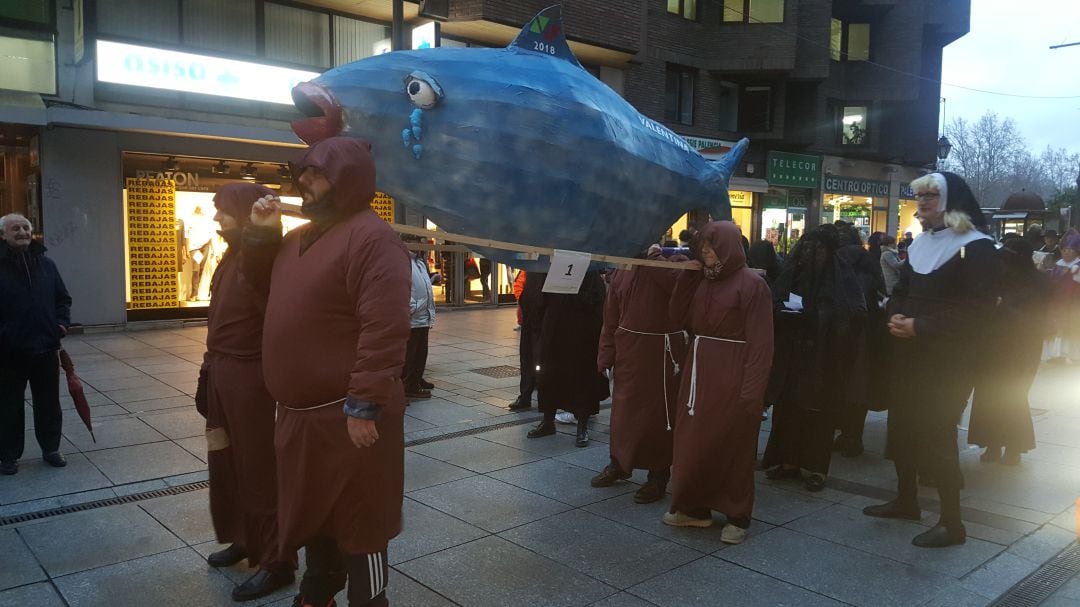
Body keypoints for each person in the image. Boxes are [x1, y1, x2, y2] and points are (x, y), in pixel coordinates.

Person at [242, 137, 411, 607]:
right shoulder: (296, 238)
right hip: (300, 418)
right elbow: (262, 289)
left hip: (349, 417)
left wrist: (365, 405)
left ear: (348, 180)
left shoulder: (374, 238)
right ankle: (319, 590)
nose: (305, 184)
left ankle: (369, 599)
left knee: (362, 520)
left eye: (317, 175)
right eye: (304, 175)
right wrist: (259, 235)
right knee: (313, 512)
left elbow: (385, 329)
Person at [862, 171, 998, 548]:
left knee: (937, 435)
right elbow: (903, 289)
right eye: (919, 197)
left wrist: (919, 326)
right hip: (908, 353)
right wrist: (896, 315)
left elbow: (980, 312)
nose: (921, 204)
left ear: (951, 200)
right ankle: (906, 501)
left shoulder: (978, 247)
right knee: (902, 426)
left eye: (930, 197)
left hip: (948, 360)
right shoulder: (921, 244)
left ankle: (952, 523)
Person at [195, 184, 297, 601]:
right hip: (222, 372)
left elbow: (265, 284)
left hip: (250, 377)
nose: (217, 220)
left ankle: (277, 560)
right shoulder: (231, 254)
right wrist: (207, 374)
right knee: (228, 462)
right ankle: (244, 537)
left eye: (223, 212)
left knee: (259, 470)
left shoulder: (260, 254)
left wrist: (262, 231)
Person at [663, 222, 773, 545]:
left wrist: (752, 392)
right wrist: (687, 276)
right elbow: (677, 316)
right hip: (699, 373)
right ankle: (694, 507)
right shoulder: (702, 280)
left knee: (732, 444)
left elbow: (762, 344)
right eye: (703, 246)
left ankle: (737, 514)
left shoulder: (753, 286)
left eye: (712, 245)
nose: (706, 251)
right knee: (693, 441)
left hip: (732, 374)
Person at [763, 225, 867, 491]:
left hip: (825, 358)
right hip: (793, 354)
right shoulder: (794, 273)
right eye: (807, 247)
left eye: (818, 248)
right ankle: (786, 460)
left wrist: (818, 317)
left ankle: (815, 467)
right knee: (789, 409)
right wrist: (783, 313)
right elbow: (775, 300)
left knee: (819, 413)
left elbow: (853, 314)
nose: (811, 253)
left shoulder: (841, 277)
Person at [592, 246, 687, 503]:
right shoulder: (623, 268)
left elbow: (676, 285)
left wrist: (652, 258)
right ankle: (619, 463)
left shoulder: (673, 262)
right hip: (629, 354)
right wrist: (605, 354)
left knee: (659, 417)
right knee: (623, 414)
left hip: (661, 356)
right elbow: (611, 317)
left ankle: (658, 476)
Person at [0, 214, 71, 475]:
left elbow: (63, 299)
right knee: (8, 405)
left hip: (45, 348)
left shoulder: (47, 264)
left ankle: (51, 448)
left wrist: (61, 324)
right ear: (3, 235)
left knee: (49, 403)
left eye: (26, 228)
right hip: (9, 352)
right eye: (15, 228)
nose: (22, 232)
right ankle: (8, 455)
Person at [967, 237, 1045, 465]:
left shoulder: (1036, 281)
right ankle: (992, 443)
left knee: (1013, 395)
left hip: (1021, 347)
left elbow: (1038, 315)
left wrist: (1005, 307)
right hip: (993, 345)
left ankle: (1013, 446)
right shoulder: (999, 277)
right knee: (989, 394)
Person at [527, 271, 610, 447]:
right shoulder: (553, 265)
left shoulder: (590, 269)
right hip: (554, 328)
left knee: (582, 378)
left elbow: (597, 300)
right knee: (549, 376)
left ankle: (582, 426)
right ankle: (548, 421)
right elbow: (539, 296)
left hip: (581, 331)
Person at [403, 235, 436, 399]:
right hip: (414, 316)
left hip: (423, 315)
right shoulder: (403, 261)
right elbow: (402, 286)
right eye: (419, 243)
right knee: (411, 353)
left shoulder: (419, 262)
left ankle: (416, 379)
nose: (422, 246)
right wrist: (413, 307)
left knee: (420, 353)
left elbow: (422, 285)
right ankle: (409, 386)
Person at [1043, 229, 1080, 364]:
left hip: (1074, 304)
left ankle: (1074, 355)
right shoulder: (1058, 265)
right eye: (1064, 250)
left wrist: (1074, 273)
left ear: (1076, 251)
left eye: (1070, 250)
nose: (1066, 253)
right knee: (1057, 328)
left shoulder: (1078, 265)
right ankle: (1056, 354)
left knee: (1073, 328)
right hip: (1058, 303)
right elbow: (1051, 281)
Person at [509, 271, 545, 411]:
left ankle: (541, 398)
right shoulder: (530, 267)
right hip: (531, 317)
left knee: (540, 358)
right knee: (527, 357)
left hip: (543, 318)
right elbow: (519, 286)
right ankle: (526, 395)